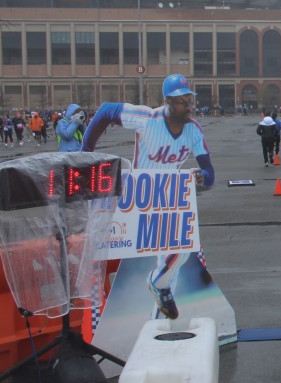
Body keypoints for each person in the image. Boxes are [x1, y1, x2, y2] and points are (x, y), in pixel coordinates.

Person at [82, 73, 215, 320]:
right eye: (181, 101)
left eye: (189, 100)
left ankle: (158, 305)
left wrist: (201, 177)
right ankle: (155, 288)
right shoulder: (147, 118)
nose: (188, 106)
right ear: (167, 102)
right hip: (139, 197)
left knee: (179, 256)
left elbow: (209, 174)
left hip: (168, 198)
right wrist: (85, 153)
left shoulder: (194, 130)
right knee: (171, 255)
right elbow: (106, 111)